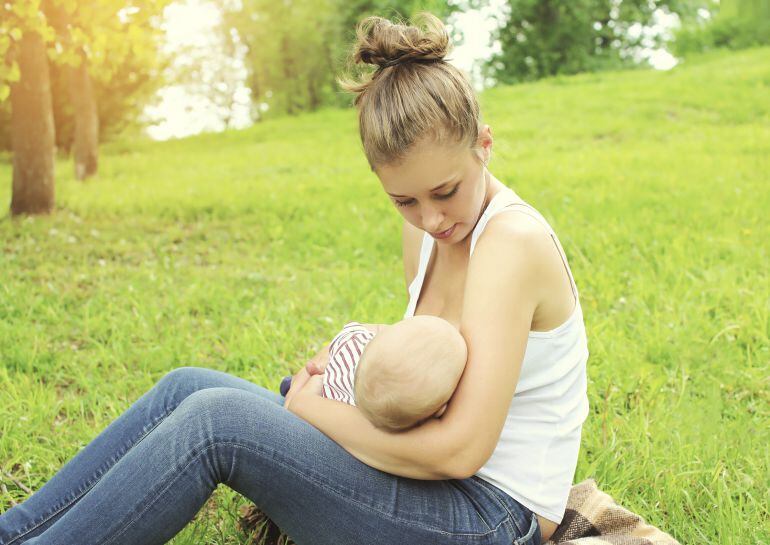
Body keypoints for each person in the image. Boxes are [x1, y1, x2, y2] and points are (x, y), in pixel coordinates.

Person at [0, 12, 588, 545]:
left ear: (484, 145)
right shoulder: (431, 230)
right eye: (404, 200)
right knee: (187, 387)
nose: (431, 218)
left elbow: (460, 450)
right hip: (425, 485)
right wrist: (351, 365)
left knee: (217, 425)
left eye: (446, 191)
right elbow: (438, 361)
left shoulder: (511, 244)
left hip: (487, 517)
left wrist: (314, 411)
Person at [281, 316, 468, 432]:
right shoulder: (412, 414)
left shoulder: (357, 347)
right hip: (331, 422)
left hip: (327, 389)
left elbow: (354, 331)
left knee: (317, 382)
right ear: (440, 409)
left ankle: (295, 386)